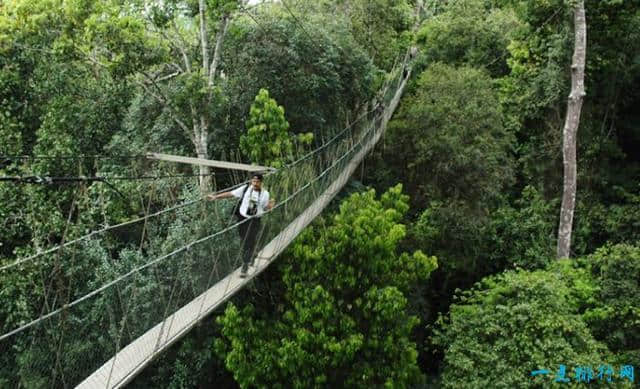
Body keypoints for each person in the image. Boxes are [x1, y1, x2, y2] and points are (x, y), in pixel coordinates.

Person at [206, 173, 275, 277]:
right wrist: (215, 197)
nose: (255, 184)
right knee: (244, 239)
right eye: (253, 181)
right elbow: (231, 194)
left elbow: (265, 207)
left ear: (261, 182)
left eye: (257, 182)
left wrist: (270, 205)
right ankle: (253, 253)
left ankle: (245, 266)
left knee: (248, 242)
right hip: (242, 219)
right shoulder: (246, 188)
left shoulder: (265, 194)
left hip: (255, 220)